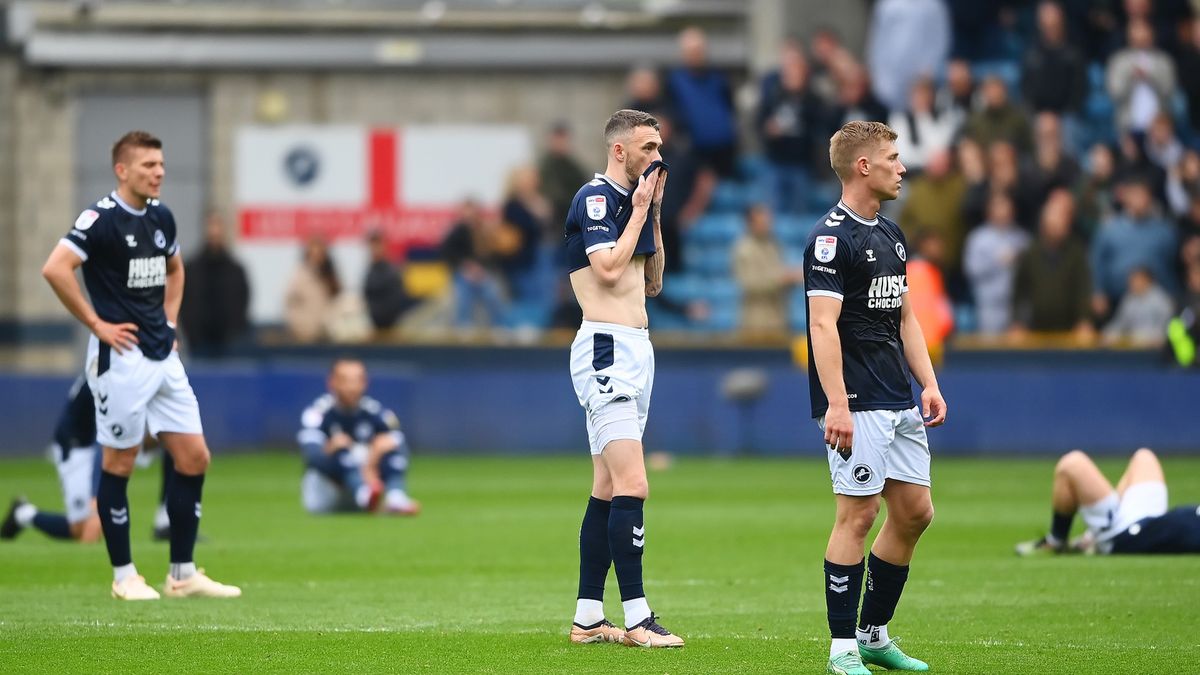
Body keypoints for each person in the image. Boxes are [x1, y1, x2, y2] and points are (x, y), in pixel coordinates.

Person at [40, 130, 239, 600]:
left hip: (161, 353)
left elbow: (175, 269)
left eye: (162, 165)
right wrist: (96, 323)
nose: (159, 173)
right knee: (120, 462)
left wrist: (170, 322)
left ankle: (183, 573)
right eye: (149, 165)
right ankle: (124, 576)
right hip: (121, 359)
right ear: (122, 170)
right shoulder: (100, 220)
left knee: (194, 457)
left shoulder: (161, 217)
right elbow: (55, 268)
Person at [803, 121, 946, 675]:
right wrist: (836, 402)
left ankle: (873, 634)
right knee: (857, 516)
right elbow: (822, 325)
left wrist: (929, 382)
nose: (901, 166)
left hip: (898, 397)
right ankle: (841, 648)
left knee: (914, 513)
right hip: (857, 401)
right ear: (864, 166)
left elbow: (906, 316)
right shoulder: (830, 237)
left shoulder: (891, 235)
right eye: (892, 156)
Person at [563, 109, 682, 648]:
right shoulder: (595, 199)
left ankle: (588, 617)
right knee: (634, 483)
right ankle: (638, 618)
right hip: (605, 346)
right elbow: (608, 270)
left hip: (638, 347)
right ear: (620, 150)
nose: (657, 157)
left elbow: (651, 282)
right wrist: (636, 211)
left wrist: (653, 215)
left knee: (608, 488)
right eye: (649, 147)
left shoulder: (634, 205)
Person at [1016, 448, 1200, 556]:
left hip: (1127, 534)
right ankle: (1091, 537)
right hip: (1152, 518)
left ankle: (1057, 541)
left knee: (1072, 464)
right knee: (1144, 457)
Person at [297, 358, 418, 516]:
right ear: (332, 382)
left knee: (387, 445)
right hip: (327, 493)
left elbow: (401, 449)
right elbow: (312, 457)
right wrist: (332, 447)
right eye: (345, 380)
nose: (352, 387)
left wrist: (372, 461)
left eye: (357, 380)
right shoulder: (318, 412)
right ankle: (365, 494)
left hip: (366, 480)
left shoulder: (374, 411)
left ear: (365, 383)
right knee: (341, 448)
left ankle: (396, 498)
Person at [2, 378, 102, 543]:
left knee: (85, 525)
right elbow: (103, 444)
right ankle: (23, 514)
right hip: (73, 447)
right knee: (83, 526)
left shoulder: (104, 367)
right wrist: (95, 498)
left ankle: (23, 514)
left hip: (86, 443)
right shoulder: (103, 375)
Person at [178, 211, 249, 358]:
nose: (214, 231)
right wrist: (191, 330)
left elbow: (242, 302)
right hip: (197, 344)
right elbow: (181, 300)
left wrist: (233, 332)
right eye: (211, 225)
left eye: (218, 225)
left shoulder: (236, 270)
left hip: (228, 345)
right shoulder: (191, 268)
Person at [732, 204, 802, 337]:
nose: (767, 224)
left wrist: (791, 279)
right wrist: (782, 279)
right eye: (762, 221)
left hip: (778, 320)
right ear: (750, 223)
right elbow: (750, 284)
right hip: (755, 323)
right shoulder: (744, 249)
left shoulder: (773, 245)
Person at [285, 237, 340, 343]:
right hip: (306, 335)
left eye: (320, 253)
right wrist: (302, 328)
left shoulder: (330, 275)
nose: (317, 257)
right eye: (313, 253)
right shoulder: (300, 276)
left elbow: (337, 301)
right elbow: (291, 305)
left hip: (328, 335)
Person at [362, 229, 415, 331]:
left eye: (377, 244)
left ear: (384, 245)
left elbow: (396, 300)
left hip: (390, 327)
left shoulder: (391, 270)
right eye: (372, 245)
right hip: (374, 326)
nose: (374, 249)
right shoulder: (369, 269)